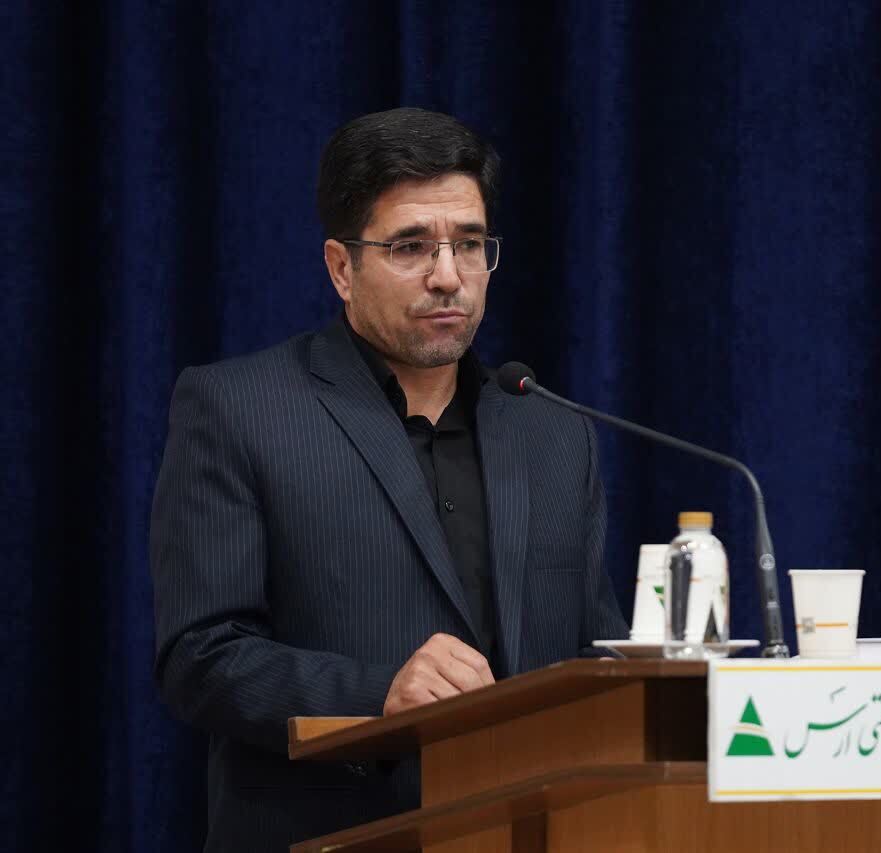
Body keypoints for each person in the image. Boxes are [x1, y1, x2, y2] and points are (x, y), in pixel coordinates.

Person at [149, 107, 628, 852]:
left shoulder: (552, 432)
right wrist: (380, 694)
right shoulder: (239, 409)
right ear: (341, 268)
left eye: (469, 244)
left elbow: (598, 653)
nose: (449, 276)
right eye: (410, 247)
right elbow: (200, 657)